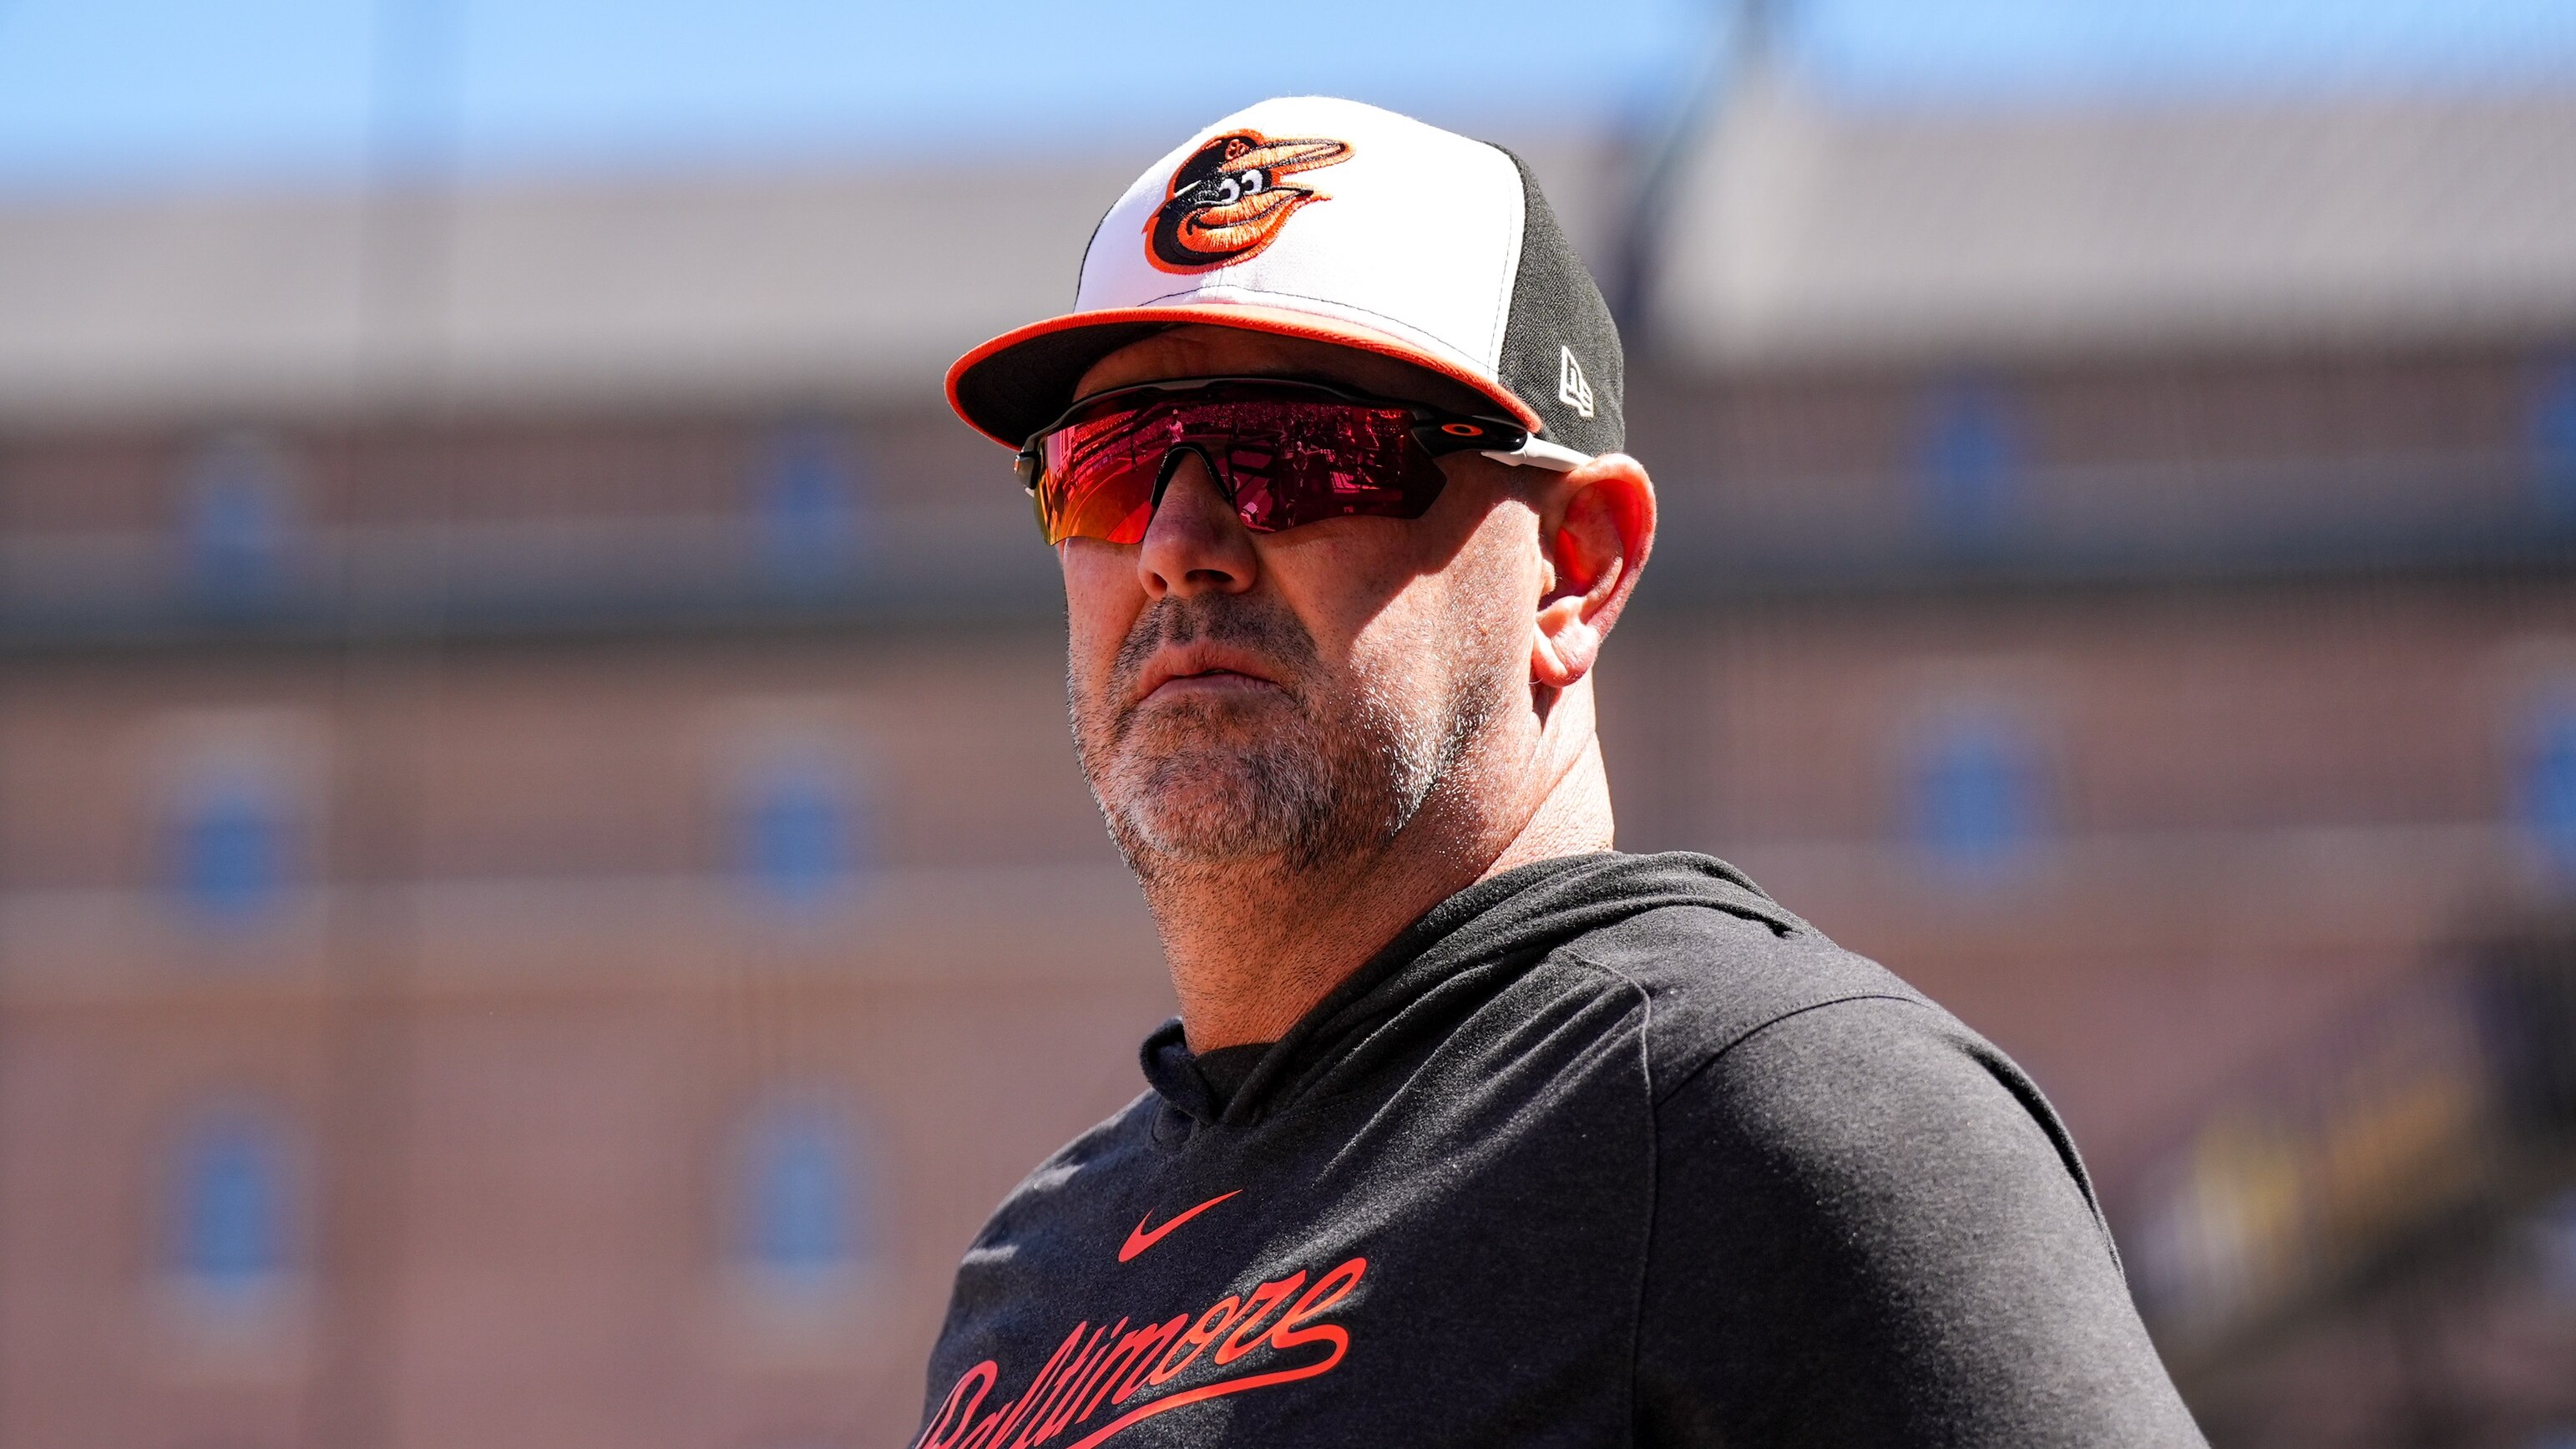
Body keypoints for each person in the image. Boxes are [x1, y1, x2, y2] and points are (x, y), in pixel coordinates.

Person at [914, 96, 2207, 1448]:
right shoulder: (1029, 1274)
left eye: (1293, 456)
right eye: (1105, 471)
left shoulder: (1773, 1117)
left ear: (1572, 564)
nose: (1178, 544)